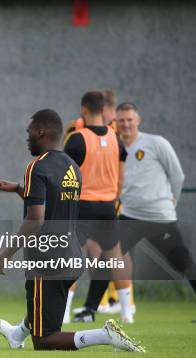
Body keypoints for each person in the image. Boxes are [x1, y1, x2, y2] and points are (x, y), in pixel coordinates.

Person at [0, 109, 143, 352]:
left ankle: (103, 335)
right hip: (71, 257)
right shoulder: (72, 166)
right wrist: (19, 188)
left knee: (45, 339)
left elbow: (36, 219)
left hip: (46, 260)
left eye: (29, 132)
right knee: (44, 308)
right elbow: (54, 205)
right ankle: (16, 334)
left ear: (41, 132)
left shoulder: (36, 166)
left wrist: (6, 253)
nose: (27, 137)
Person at [64, 91, 133, 324]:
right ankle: (126, 312)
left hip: (81, 205)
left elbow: (66, 177)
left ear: (84, 110)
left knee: (71, 258)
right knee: (114, 258)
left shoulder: (77, 138)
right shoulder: (116, 139)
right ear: (103, 109)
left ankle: (63, 312)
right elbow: (121, 180)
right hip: (107, 206)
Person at [116, 102, 196, 292]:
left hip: (159, 218)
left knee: (181, 261)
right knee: (109, 260)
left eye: (129, 119)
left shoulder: (156, 143)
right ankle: (90, 309)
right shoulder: (114, 145)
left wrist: (173, 199)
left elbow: (177, 175)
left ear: (138, 120)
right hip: (129, 217)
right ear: (116, 122)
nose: (126, 124)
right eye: (121, 120)